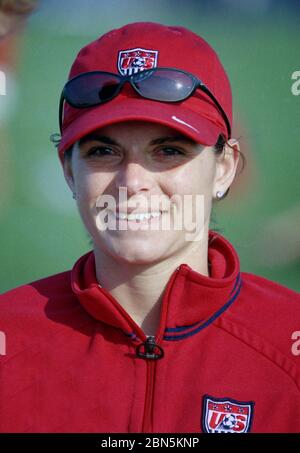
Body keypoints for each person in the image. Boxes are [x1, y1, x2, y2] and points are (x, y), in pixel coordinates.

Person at [0, 21, 299, 434]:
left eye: (169, 150)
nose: (132, 181)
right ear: (69, 172)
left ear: (225, 168)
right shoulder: (7, 339)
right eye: (103, 151)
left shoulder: (289, 345)